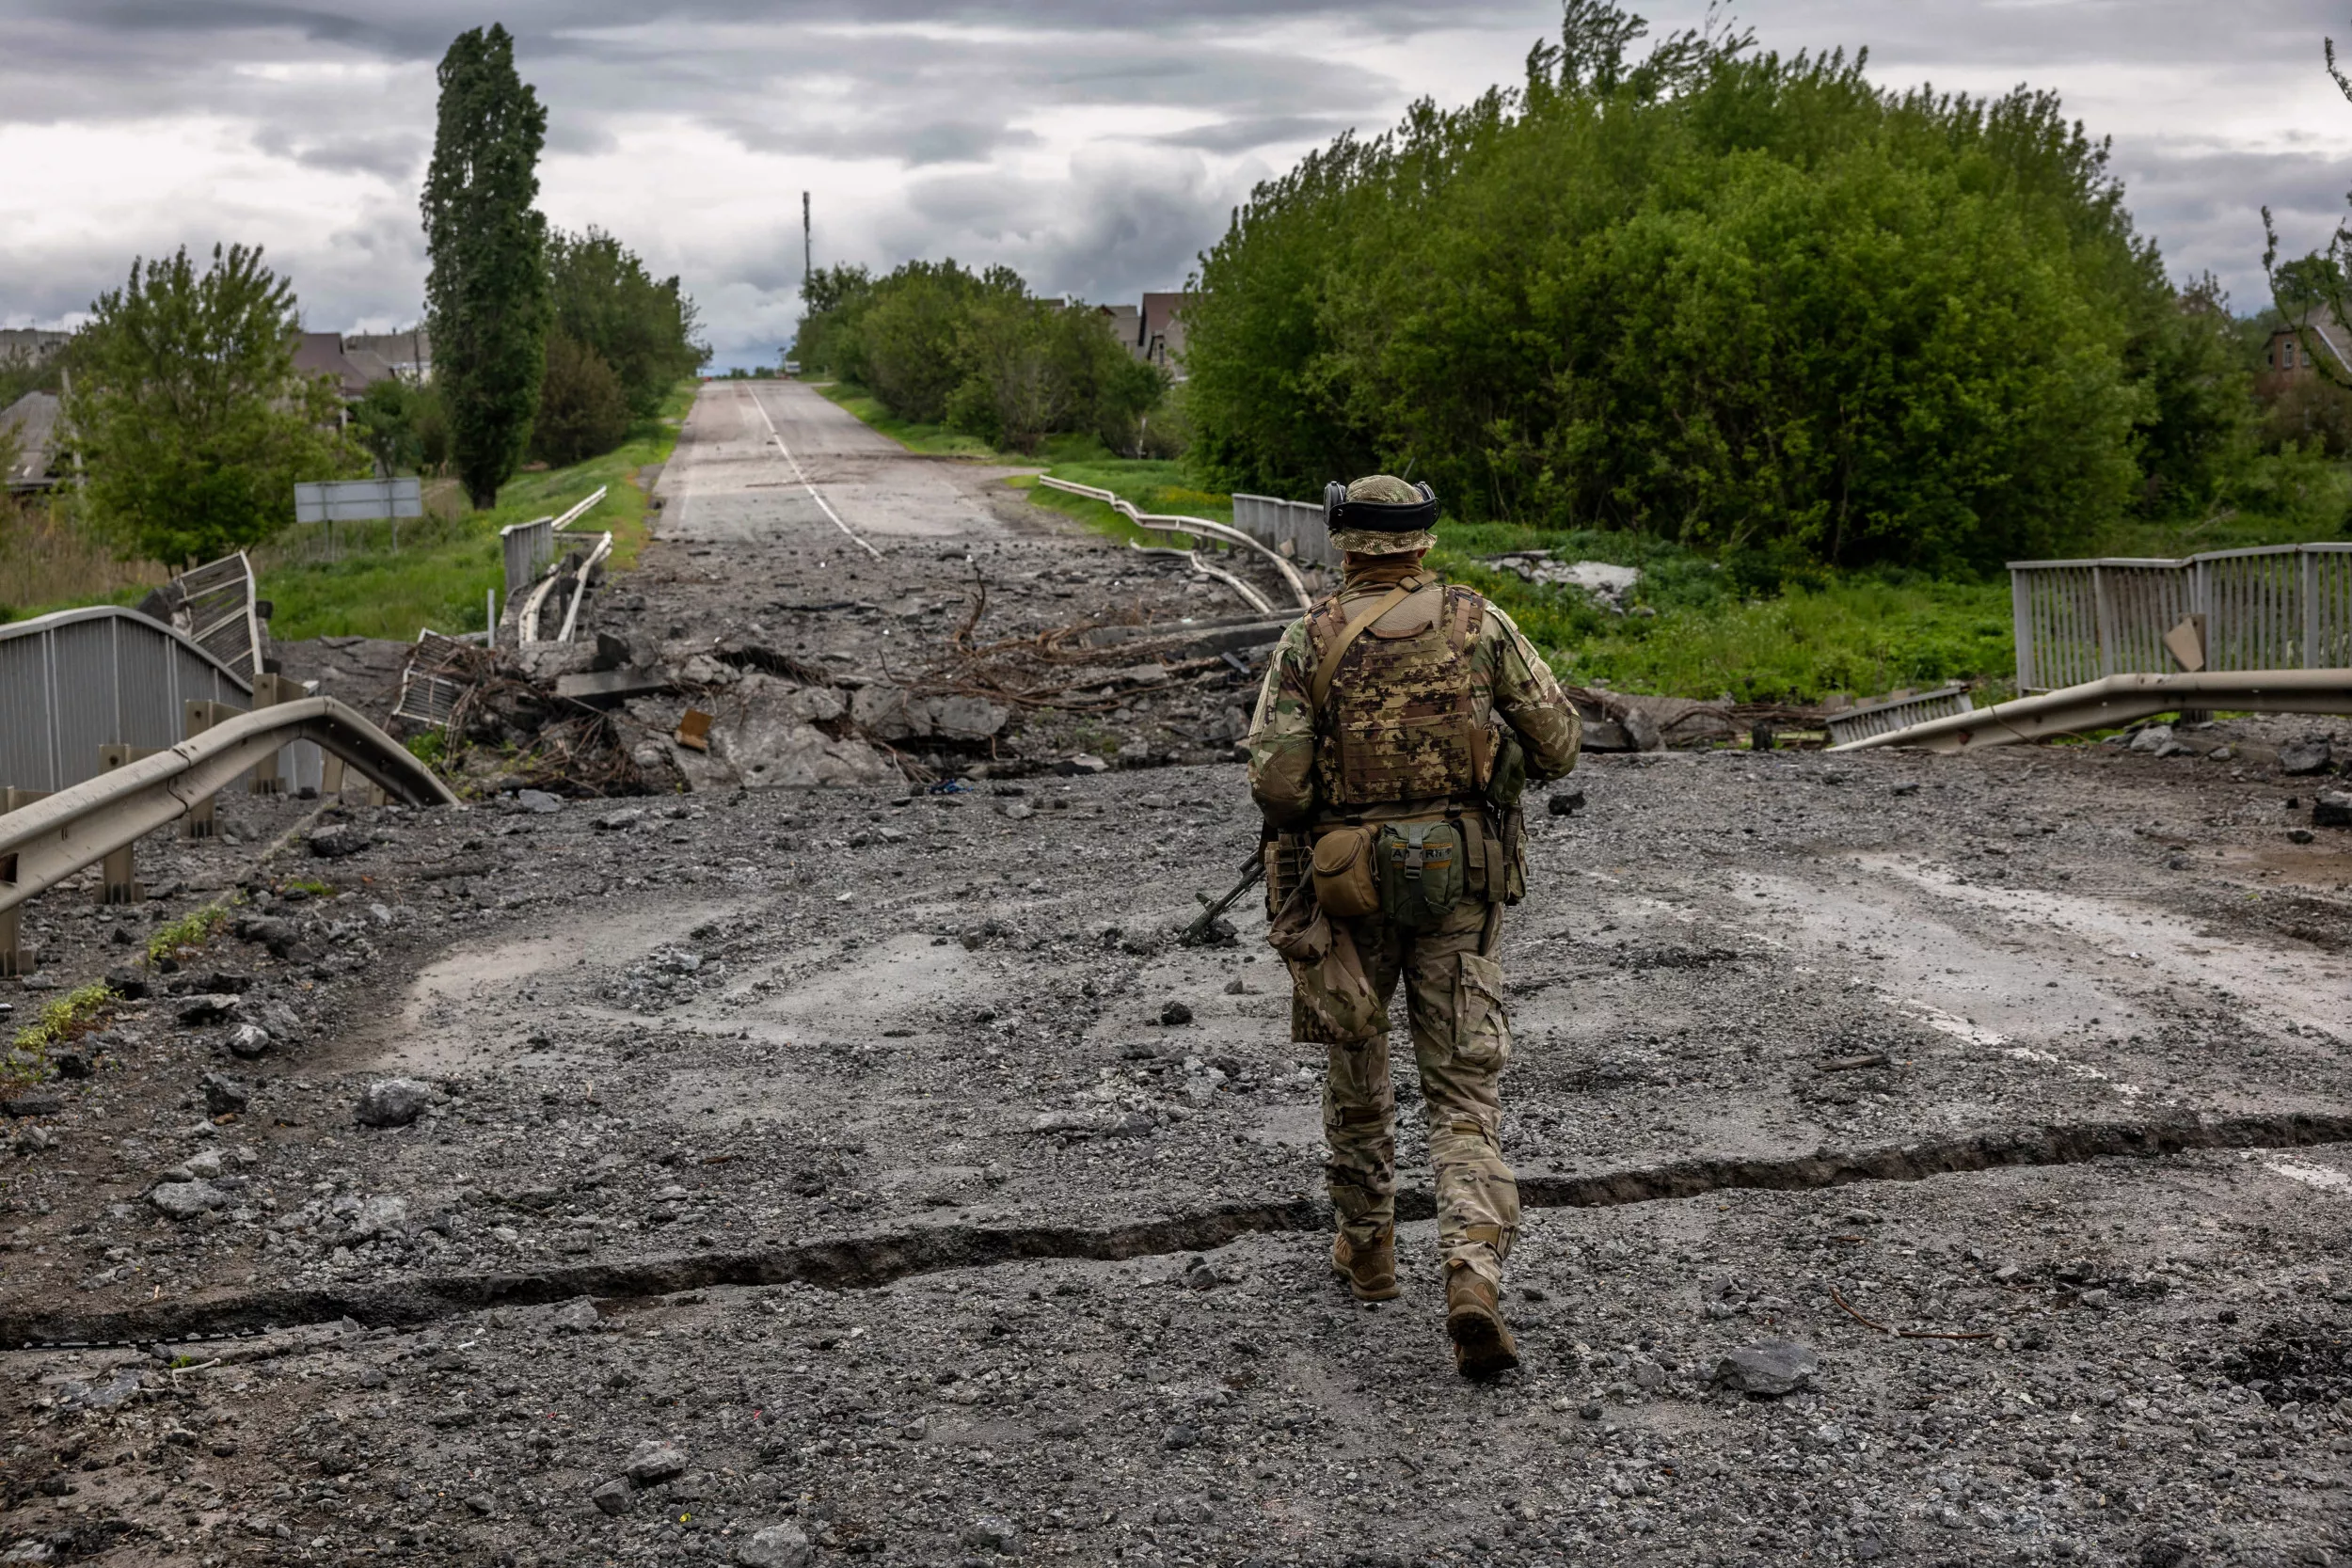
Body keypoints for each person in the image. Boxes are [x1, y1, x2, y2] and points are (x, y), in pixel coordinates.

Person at [1245, 473, 1581, 1377]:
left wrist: (1340, 806)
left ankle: (1371, 1250)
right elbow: (1558, 742)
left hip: (1347, 890)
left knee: (1357, 1058)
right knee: (1463, 1090)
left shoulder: (1308, 637)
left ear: (1344, 544)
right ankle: (1471, 1271)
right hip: (1460, 884)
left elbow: (1276, 787)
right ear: (1422, 544)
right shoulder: (1480, 622)